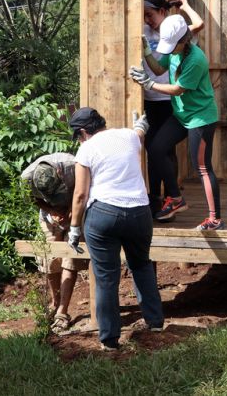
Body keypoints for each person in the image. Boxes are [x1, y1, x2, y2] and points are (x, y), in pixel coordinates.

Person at [68, 106, 164, 351]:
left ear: (83, 132)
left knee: (106, 277)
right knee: (141, 265)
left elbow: (80, 195)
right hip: (140, 213)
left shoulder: (86, 148)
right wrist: (141, 125)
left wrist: (74, 229)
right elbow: (139, 133)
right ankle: (155, 324)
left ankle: (110, 340)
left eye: (77, 135)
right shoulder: (127, 136)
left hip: (104, 215)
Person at [129, 13, 223, 231]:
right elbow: (160, 69)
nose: (169, 49)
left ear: (184, 40)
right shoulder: (174, 51)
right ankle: (176, 197)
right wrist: (145, 53)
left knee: (202, 167)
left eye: (172, 45)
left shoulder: (196, 59)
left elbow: (178, 88)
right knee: (155, 149)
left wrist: (148, 84)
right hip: (181, 115)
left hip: (200, 118)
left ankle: (215, 219)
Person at [142, 0, 204, 215]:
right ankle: (157, 199)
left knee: (164, 150)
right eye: (144, 15)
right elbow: (157, 67)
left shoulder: (177, 33)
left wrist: (185, 5)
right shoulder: (142, 31)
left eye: (150, 14)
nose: (147, 20)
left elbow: (198, 23)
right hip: (150, 101)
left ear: (162, 12)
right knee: (154, 149)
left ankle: (172, 197)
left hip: (170, 100)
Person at [21, 153, 83, 331]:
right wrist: (50, 211)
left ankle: (63, 311)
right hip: (50, 217)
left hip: (76, 211)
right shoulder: (25, 179)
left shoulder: (73, 165)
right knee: (49, 259)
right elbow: (33, 200)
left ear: (59, 172)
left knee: (70, 259)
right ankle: (55, 303)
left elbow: (86, 188)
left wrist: (72, 210)